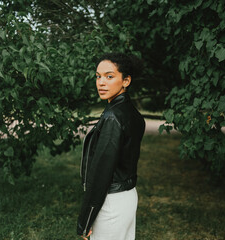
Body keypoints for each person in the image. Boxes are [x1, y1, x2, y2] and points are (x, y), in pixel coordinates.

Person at [77, 53, 145, 240]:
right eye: (98, 76)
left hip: (111, 202)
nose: (101, 82)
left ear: (126, 80)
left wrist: (86, 219)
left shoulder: (113, 117)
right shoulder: (133, 114)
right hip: (128, 196)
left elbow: (101, 173)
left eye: (109, 76)